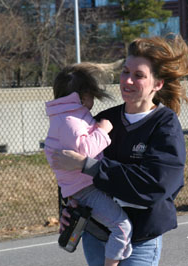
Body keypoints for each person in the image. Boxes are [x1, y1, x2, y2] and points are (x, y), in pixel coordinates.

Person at [51, 34, 188, 266]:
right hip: (96, 235)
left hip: (140, 239)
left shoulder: (164, 125)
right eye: (125, 72)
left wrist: (88, 166)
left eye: (138, 75)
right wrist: (70, 204)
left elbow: (155, 185)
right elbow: (70, 169)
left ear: (157, 84)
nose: (127, 81)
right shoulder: (103, 120)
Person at [44, 63, 133, 266]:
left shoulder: (66, 116)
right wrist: (103, 130)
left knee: (111, 226)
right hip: (86, 189)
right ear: (84, 96)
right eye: (92, 95)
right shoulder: (70, 120)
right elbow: (83, 152)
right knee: (122, 227)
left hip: (84, 186)